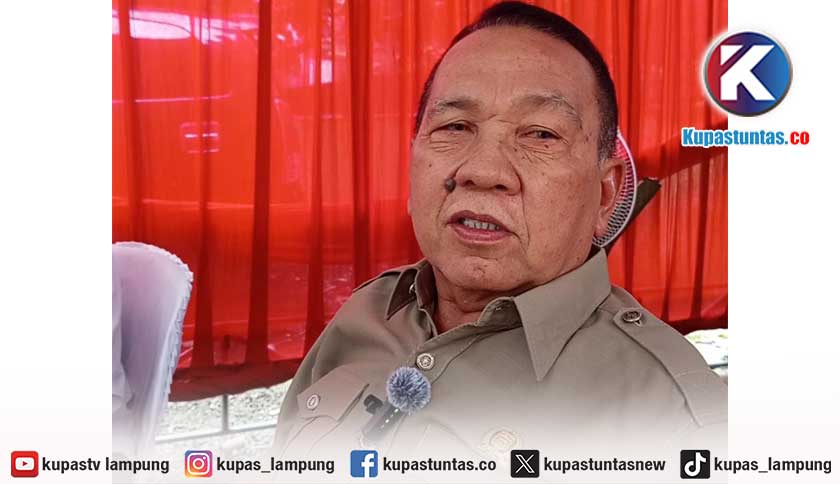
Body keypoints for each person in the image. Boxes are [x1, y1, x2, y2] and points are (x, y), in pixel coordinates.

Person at [272, 0, 726, 464]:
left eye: (541, 134)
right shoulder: (365, 315)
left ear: (606, 196)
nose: (483, 171)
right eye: (455, 126)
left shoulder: (674, 418)